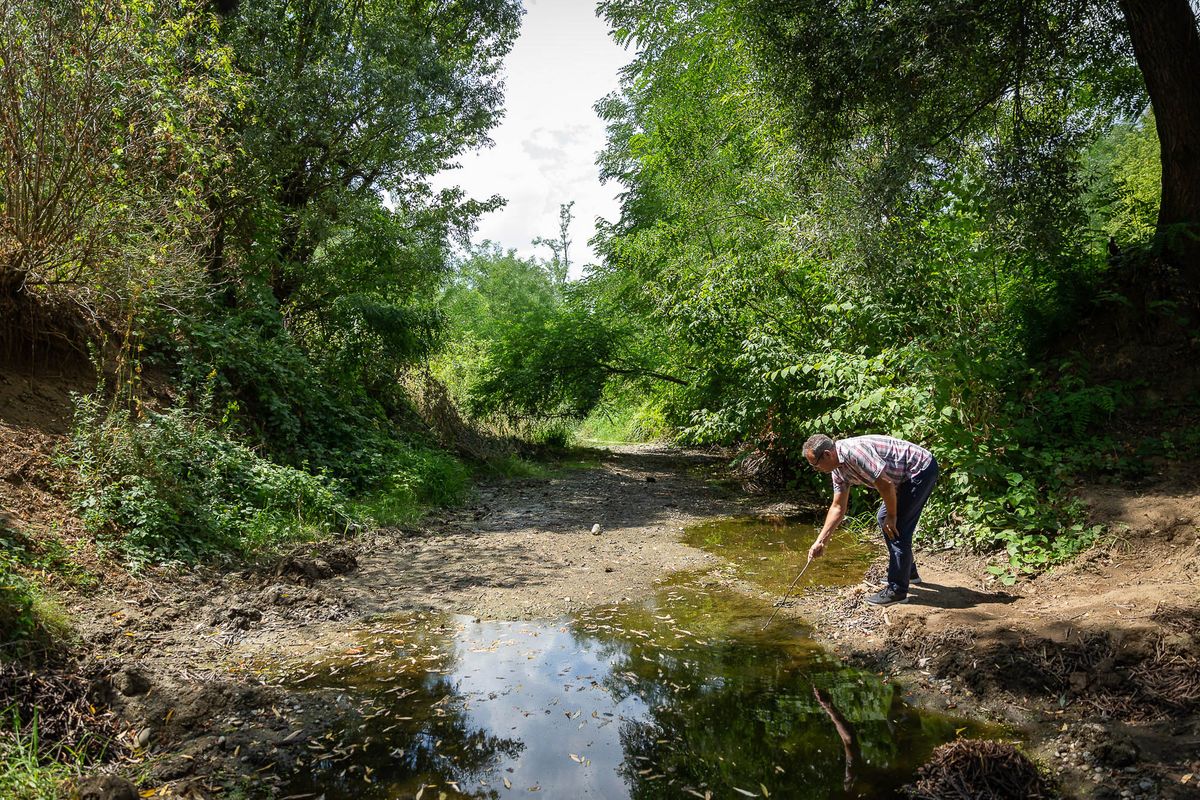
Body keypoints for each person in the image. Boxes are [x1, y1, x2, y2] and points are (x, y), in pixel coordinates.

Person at [804, 433, 939, 606]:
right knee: (883, 518)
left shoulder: (854, 453)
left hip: (920, 469)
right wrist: (821, 541)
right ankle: (908, 572)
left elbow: (886, 484)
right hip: (902, 477)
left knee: (897, 527)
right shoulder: (837, 469)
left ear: (827, 455)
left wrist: (892, 516)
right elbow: (838, 507)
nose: (816, 469)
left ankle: (897, 590)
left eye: (815, 465)